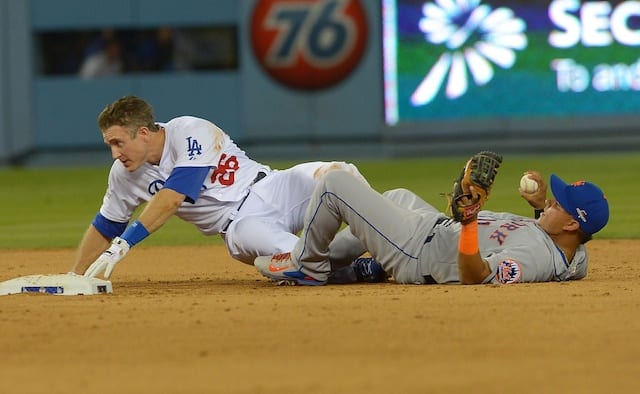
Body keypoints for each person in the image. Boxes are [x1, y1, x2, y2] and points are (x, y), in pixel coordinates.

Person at [72, 95, 368, 279]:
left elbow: (173, 196)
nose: (114, 153)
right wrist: (77, 274)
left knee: (340, 174)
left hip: (274, 187)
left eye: (118, 143)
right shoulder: (124, 174)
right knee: (293, 253)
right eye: (110, 144)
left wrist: (126, 242)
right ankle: (357, 270)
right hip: (239, 226)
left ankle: (387, 239)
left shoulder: (189, 130)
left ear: (144, 133)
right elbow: (106, 225)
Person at [253, 155, 610, 285]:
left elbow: (476, 276)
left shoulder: (536, 258)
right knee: (397, 195)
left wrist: (469, 224)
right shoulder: (573, 254)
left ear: (571, 225)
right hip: (431, 231)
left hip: (416, 252)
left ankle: (309, 265)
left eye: (557, 204)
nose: (550, 200)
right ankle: (341, 266)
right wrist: (537, 209)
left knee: (334, 185)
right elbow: (563, 255)